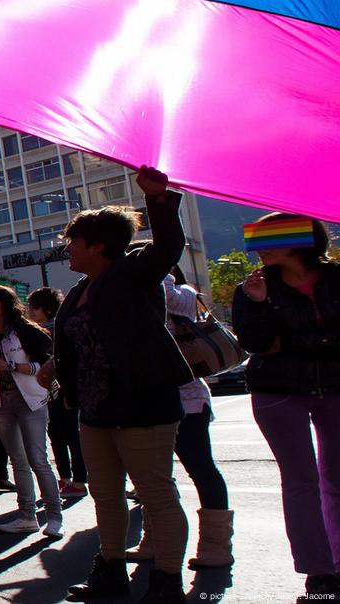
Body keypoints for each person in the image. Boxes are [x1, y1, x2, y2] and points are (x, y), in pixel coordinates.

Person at [56, 166, 191, 603]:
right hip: (96, 410)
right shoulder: (79, 291)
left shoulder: (133, 273)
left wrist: (157, 198)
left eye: (73, 242)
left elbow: (169, 246)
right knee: (106, 495)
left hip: (142, 403)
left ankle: (167, 581)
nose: (67, 250)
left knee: (155, 492)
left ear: (98, 246)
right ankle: (109, 569)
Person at [232, 213, 340, 598]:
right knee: (300, 481)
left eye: (263, 241)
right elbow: (256, 343)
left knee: (336, 480)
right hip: (278, 390)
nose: (255, 251)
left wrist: (293, 342)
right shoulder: (253, 288)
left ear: (296, 242)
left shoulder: (335, 279)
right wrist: (261, 305)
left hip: (334, 387)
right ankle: (319, 574)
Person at [124, 264, 232, 568]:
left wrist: (158, 269)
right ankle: (154, 539)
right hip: (148, 399)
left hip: (188, 399)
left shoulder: (181, 293)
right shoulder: (131, 300)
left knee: (200, 467)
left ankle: (216, 545)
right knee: (151, 475)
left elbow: (170, 298)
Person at [0, 283, 62, 539]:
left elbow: (46, 365)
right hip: (0, 402)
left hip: (30, 400)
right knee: (18, 461)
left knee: (38, 459)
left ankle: (54, 516)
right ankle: (27, 516)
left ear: (5, 304)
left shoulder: (26, 331)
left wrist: (11, 366)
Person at [28, 287, 86, 499]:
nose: (30, 312)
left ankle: (79, 481)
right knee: (56, 435)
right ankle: (65, 479)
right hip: (47, 391)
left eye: (35, 308)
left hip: (64, 388)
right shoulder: (35, 331)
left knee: (71, 435)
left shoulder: (59, 329)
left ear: (49, 309)